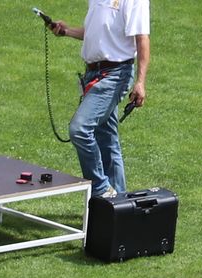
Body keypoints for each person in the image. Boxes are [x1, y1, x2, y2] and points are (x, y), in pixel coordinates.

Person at [42, 0, 149, 200]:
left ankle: (100, 189)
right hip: (93, 74)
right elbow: (96, 32)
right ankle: (120, 209)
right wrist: (66, 31)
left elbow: (142, 38)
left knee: (79, 129)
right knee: (108, 142)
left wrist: (140, 82)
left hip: (115, 75)